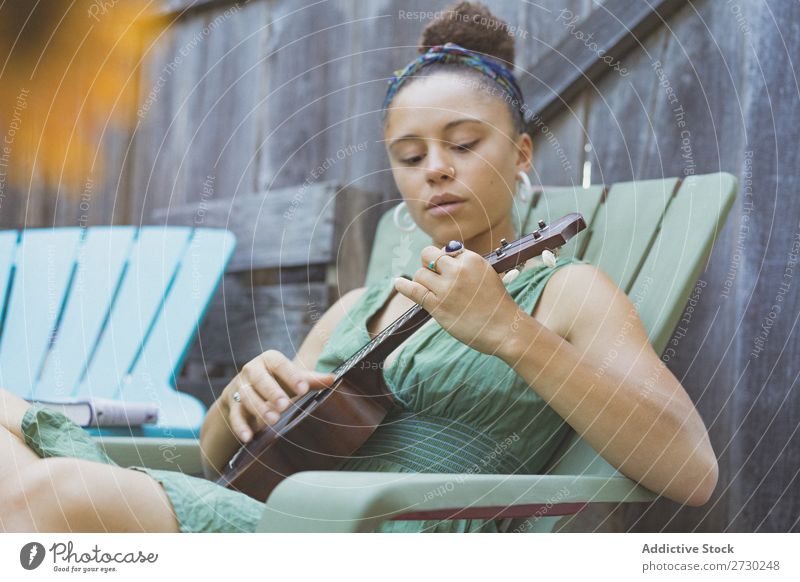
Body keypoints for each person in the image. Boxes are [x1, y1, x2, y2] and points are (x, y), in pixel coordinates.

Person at [0, 1, 717, 533]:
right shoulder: (356, 312)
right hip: (265, 516)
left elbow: (691, 471)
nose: (434, 169)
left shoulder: (564, 292)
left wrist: (508, 331)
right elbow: (231, 463)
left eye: (463, 143)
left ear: (522, 154)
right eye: (409, 156)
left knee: (48, 498)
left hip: (366, 538)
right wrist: (237, 403)